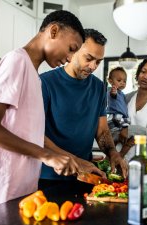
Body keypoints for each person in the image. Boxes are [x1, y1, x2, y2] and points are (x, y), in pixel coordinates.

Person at [0, 10, 86, 213]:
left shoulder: (35, 77)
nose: (69, 59)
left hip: (21, 190)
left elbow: (31, 134)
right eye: (71, 49)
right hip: (1, 191)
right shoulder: (17, 61)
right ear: (53, 31)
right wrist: (46, 156)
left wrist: (72, 160)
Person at [39, 29, 128, 189]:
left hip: (87, 177)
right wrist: (76, 161)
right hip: (49, 177)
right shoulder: (45, 83)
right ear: (73, 51)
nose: (93, 66)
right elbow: (35, 135)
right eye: (89, 58)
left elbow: (102, 131)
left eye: (99, 61)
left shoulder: (99, 87)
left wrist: (113, 153)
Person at [107, 66, 130, 131]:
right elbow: (113, 95)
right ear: (111, 81)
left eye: (124, 81)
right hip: (115, 116)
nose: (122, 83)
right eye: (119, 80)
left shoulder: (122, 94)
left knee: (125, 126)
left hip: (121, 117)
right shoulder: (112, 91)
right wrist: (113, 92)